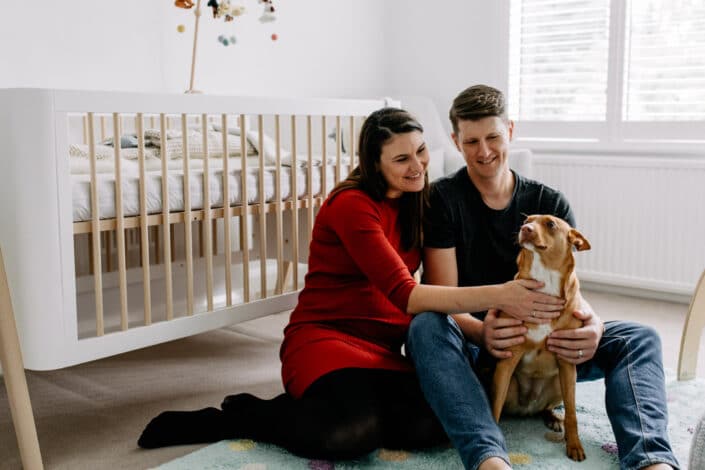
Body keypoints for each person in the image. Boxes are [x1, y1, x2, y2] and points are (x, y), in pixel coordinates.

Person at [137, 107, 566, 460]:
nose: (416, 166)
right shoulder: (352, 205)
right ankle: (242, 415)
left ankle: (328, 408)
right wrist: (503, 293)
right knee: (349, 435)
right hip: (326, 339)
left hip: (381, 349)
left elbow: (434, 295)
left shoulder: (420, 202)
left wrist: (480, 328)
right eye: (401, 159)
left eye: (420, 152)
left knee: (433, 425)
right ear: (373, 165)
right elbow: (407, 294)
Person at [406, 84, 679, 470]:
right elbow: (444, 297)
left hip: (551, 346)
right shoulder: (442, 201)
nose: (483, 152)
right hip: (484, 348)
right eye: (471, 141)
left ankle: (651, 459)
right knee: (425, 327)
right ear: (455, 141)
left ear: (510, 132)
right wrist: (481, 331)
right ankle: (488, 456)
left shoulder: (550, 204)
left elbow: (572, 290)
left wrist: (594, 327)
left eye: (493, 137)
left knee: (641, 338)